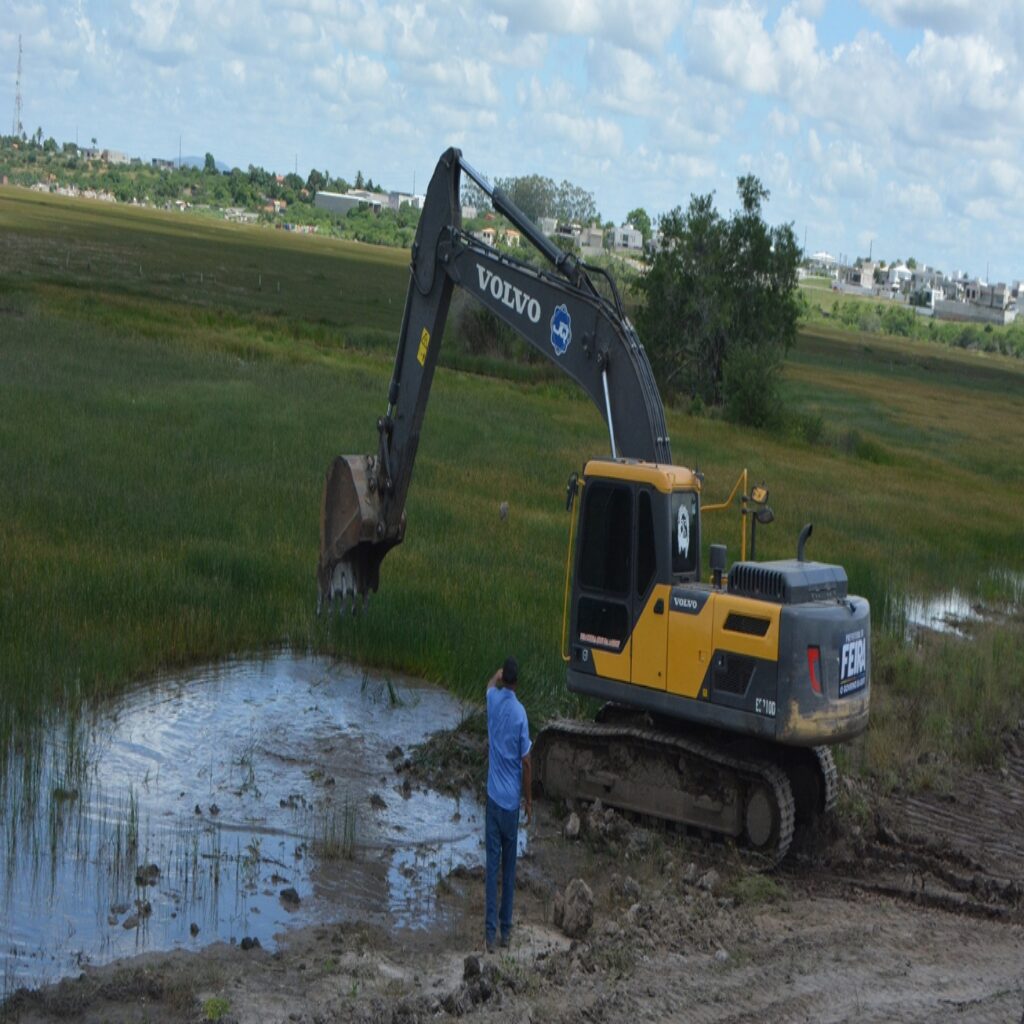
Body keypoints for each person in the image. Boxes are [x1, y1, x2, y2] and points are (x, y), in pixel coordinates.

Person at [484, 655, 532, 953]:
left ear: (504, 678)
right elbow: (526, 762)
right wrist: (529, 799)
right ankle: (506, 932)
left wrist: (496, 673)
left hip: (492, 799)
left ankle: (489, 936)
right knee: (509, 870)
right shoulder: (520, 714)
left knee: (491, 867)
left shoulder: (492, 700)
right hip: (511, 803)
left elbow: (489, 685)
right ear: (518, 682)